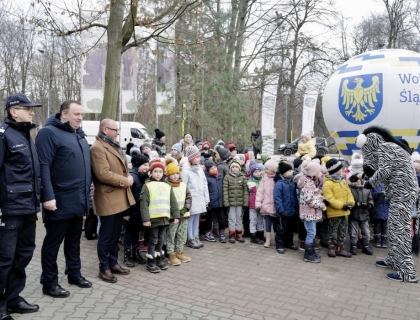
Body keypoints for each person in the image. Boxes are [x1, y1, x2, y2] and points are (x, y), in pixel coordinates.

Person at [36, 100, 92, 298]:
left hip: (79, 200)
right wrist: (48, 197)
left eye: (82, 114)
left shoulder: (78, 135)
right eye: (76, 114)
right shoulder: (49, 133)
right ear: (64, 114)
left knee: (74, 241)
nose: (80, 118)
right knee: (53, 243)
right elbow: (42, 166)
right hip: (59, 200)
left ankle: (74, 274)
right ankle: (49, 282)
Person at [355, 126, 418, 282]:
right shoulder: (391, 147)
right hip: (400, 194)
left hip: (403, 195)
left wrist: (369, 183)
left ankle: (407, 272)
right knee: (393, 228)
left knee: (399, 231)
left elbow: (384, 171)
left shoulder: (386, 148)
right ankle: (394, 259)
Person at [0, 94, 42, 319]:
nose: (32, 112)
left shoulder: (26, 137)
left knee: (23, 256)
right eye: (28, 108)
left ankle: (14, 298)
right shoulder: (4, 136)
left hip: (28, 209)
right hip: (9, 210)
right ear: (13, 111)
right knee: (4, 259)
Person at [90, 119, 136, 283]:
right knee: (106, 235)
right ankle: (104, 267)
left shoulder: (113, 145)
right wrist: (125, 180)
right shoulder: (97, 148)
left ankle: (113, 262)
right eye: (115, 129)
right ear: (104, 129)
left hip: (119, 197)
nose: (118, 133)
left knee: (115, 234)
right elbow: (103, 174)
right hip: (108, 197)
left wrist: (128, 175)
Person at [140, 160, 180, 272]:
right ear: (151, 173)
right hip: (153, 219)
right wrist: (145, 219)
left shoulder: (167, 186)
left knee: (161, 240)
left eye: (160, 171)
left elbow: (173, 202)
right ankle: (151, 261)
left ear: (163, 173)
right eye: (155, 171)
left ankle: (158, 259)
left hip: (165, 218)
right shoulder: (147, 186)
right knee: (153, 240)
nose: (158, 174)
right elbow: (143, 204)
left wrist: (176, 215)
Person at [323, 158, 354, 258]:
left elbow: (348, 192)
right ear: (335, 170)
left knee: (342, 231)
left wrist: (350, 202)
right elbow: (329, 199)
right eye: (340, 168)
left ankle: (340, 248)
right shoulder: (327, 183)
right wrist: (342, 205)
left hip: (345, 212)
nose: (342, 170)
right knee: (332, 231)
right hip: (334, 212)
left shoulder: (343, 181)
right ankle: (331, 248)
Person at [295, 159, 325, 263]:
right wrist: (321, 205)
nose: (321, 174)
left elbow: (312, 195)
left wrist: (319, 195)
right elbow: (309, 200)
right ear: (314, 173)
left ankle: (311, 251)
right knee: (311, 233)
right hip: (309, 213)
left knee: (311, 232)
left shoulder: (310, 182)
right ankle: (308, 254)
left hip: (309, 213)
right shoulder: (309, 184)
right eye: (319, 172)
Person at [123, 154, 149, 268]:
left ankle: (136, 253)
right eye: (144, 165)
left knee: (137, 234)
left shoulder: (142, 176)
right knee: (129, 233)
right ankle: (127, 255)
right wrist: (126, 212)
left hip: (139, 211)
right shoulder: (132, 177)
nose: (147, 167)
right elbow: (126, 196)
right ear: (137, 165)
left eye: (148, 164)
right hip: (131, 211)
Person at [181, 146, 209, 249]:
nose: (199, 158)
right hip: (191, 198)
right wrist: (185, 200)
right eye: (197, 157)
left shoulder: (200, 169)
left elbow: (204, 183)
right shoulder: (186, 171)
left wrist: (206, 198)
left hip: (199, 198)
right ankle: (190, 238)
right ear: (192, 158)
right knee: (191, 218)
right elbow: (184, 186)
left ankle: (196, 235)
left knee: (197, 217)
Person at [165, 158, 192, 266]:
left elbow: (189, 197)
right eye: (172, 174)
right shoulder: (166, 186)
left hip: (184, 215)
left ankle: (179, 252)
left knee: (182, 234)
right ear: (168, 175)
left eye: (177, 173)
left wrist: (186, 208)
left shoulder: (183, 185)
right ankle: (171, 254)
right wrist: (175, 213)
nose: (175, 176)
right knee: (171, 235)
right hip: (173, 216)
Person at [273, 162, 299, 254]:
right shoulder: (279, 184)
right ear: (284, 173)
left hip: (292, 211)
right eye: (289, 170)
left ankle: (289, 243)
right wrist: (281, 210)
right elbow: (277, 198)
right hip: (283, 212)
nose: (292, 172)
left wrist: (296, 208)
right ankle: (280, 245)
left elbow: (295, 197)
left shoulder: (292, 182)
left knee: (290, 229)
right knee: (281, 229)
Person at [223, 160, 249, 243]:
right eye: (233, 167)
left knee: (239, 218)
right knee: (231, 218)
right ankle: (231, 234)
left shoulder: (243, 177)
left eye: (236, 167)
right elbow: (225, 190)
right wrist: (226, 202)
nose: (234, 169)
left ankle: (239, 233)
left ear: (239, 168)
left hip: (240, 203)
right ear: (230, 168)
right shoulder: (227, 177)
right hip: (231, 203)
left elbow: (245, 191)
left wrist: (245, 202)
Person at [255, 158, 279, 248]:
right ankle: (268, 240)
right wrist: (258, 203)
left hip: (275, 206)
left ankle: (277, 239)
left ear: (273, 170)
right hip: (265, 206)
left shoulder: (277, 179)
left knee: (276, 225)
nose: (265, 171)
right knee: (267, 224)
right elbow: (260, 191)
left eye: (267, 169)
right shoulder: (264, 179)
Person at [348, 175, 374, 255]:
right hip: (354, 214)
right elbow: (348, 200)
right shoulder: (350, 189)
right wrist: (355, 204)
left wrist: (369, 205)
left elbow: (370, 200)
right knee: (353, 232)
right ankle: (353, 245)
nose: (356, 181)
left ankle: (366, 246)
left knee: (366, 232)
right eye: (355, 180)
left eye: (358, 179)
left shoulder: (366, 190)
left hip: (364, 214)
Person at [204, 160, 227, 243]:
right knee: (210, 218)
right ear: (207, 170)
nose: (214, 170)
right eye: (211, 169)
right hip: (211, 202)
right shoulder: (206, 178)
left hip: (220, 202)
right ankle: (209, 232)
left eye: (214, 168)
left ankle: (222, 232)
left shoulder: (220, 176)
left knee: (221, 219)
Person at [248, 162, 265, 245]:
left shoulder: (263, 180)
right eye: (255, 172)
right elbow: (248, 193)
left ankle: (260, 233)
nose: (258, 173)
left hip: (261, 204)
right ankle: (253, 235)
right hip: (253, 204)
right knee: (253, 220)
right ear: (252, 173)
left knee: (260, 219)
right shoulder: (250, 182)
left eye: (259, 171)